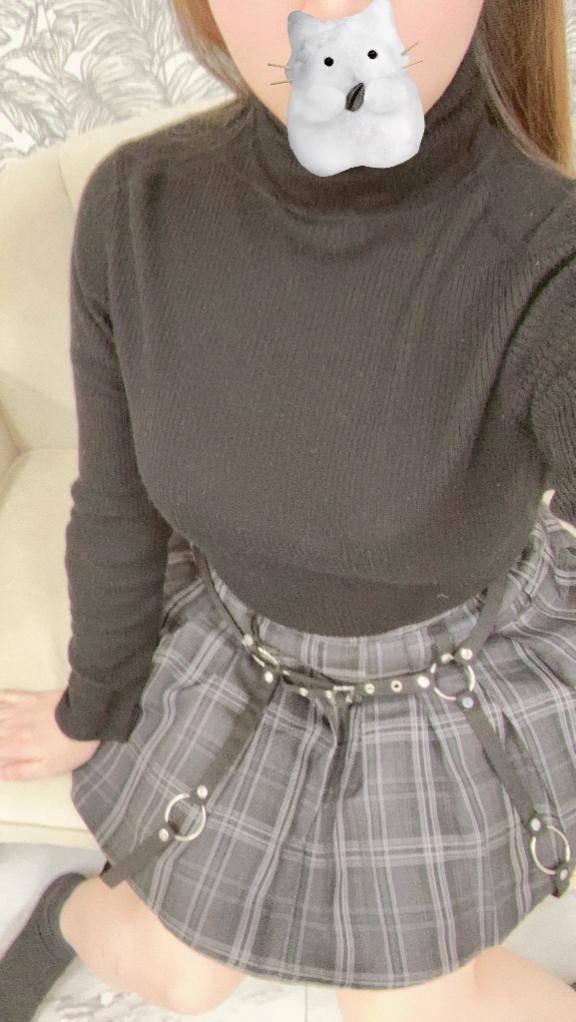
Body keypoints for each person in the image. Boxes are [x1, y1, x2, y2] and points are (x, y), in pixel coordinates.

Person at [1, 0, 576, 1019]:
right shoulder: (140, 209)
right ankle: (66, 915)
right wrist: (96, 702)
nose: (336, 8)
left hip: (447, 679)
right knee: (181, 976)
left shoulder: (549, 258)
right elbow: (118, 504)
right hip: (241, 652)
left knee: (408, 1009)